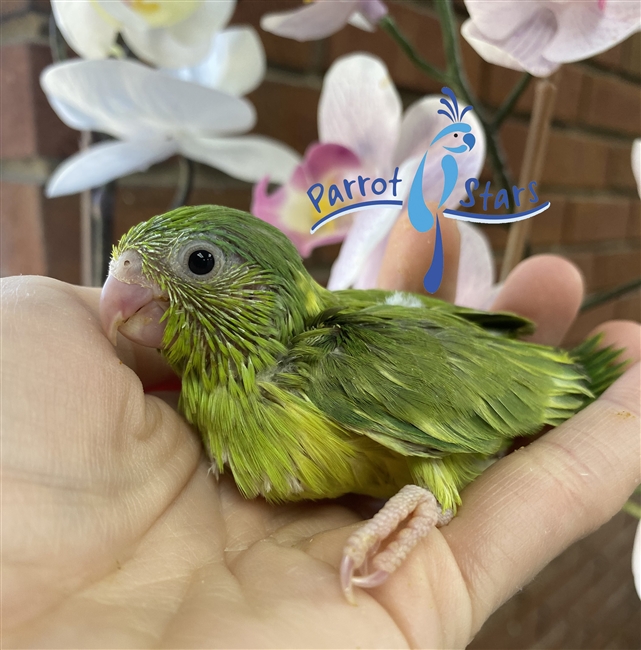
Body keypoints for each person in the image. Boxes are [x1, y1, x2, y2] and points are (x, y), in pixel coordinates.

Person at [2, 219, 639, 648]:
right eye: (124, 269)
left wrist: (429, 498)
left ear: (269, 290)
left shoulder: (331, 367)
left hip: (544, 387)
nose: (125, 293)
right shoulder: (204, 394)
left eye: (198, 264)